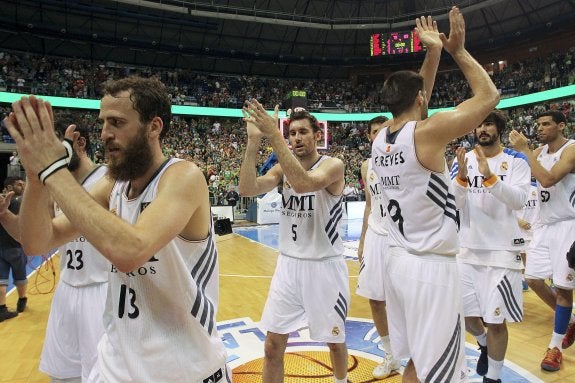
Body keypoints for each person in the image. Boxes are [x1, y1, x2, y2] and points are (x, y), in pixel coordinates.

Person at [3, 77, 229, 382]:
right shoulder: (113, 183)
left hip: (183, 366)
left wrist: (53, 169)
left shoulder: (183, 177)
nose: (106, 134)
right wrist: (35, 174)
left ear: (154, 127)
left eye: (117, 122)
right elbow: (38, 241)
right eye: (103, 123)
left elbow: (130, 251)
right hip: (118, 363)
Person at [370, 6, 500, 382]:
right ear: (422, 101)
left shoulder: (381, 139)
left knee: (417, 363)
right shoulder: (427, 134)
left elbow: (417, 101)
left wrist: (432, 53)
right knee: (440, 372)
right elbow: (488, 96)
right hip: (431, 269)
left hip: (399, 263)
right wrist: (456, 50)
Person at [356, 17, 444, 379]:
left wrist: (433, 56)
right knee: (377, 299)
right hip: (380, 234)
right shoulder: (369, 161)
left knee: (407, 305)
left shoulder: (408, 139)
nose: (381, 133)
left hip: (408, 240)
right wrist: (362, 237)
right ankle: (395, 355)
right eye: (375, 131)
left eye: (383, 128)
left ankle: (412, 357)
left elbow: (417, 103)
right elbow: (370, 205)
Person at [239, 105, 349, 383]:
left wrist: (274, 136)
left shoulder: (333, 165)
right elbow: (247, 189)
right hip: (288, 265)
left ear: (317, 135)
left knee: (334, 343)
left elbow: (304, 184)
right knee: (272, 346)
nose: (296, 137)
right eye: (292, 133)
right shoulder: (282, 167)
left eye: (303, 132)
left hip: (324, 267)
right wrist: (254, 141)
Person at [451, 110, 530, 383]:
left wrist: (490, 177)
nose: (482, 129)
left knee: (496, 321)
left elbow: (519, 200)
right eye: (479, 125)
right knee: (467, 317)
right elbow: (453, 203)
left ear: (498, 128)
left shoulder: (516, 160)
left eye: (488, 124)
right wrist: (462, 178)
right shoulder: (463, 159)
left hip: (502, 252)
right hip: (466, 250)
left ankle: (493, 378)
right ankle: (483, 344)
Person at [509, 110, 575, 372]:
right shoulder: (536, 153)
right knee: (534, 279)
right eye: (538, 124)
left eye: (546, 124)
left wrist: (525, 150)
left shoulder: (571, 149)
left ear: (561, 126)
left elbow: (547, 180)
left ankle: (555, 347)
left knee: (563, 288)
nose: (540, 128)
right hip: (544, 225)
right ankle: (570, 319)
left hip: (568, 224)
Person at [0, 176, 27, 322]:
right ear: (10, 188)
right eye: (19, 184)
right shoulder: (18, 202)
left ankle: (2, 308)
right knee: (20, 277)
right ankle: (22, 301)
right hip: (15, 247)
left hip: (1, 247)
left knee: (1, 279)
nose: (22, 186)